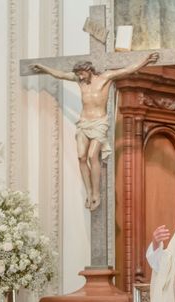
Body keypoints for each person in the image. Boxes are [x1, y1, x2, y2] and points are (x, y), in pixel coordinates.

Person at [32, 52, 159, 211]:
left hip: (99, 122)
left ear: (89, 70)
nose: (80, 77)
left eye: (82, 74)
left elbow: (127, 70)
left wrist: (145, 60)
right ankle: (89, 191)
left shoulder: (106, 77)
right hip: (84, 122)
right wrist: (44, 68)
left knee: (93, 155)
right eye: (78, 74)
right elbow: (61, 75)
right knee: (81, 157)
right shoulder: (80, 81)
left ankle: (96, 194)